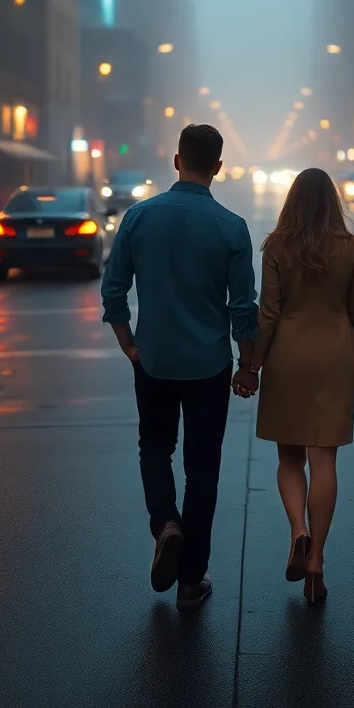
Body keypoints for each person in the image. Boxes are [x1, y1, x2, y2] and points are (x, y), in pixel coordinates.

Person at [101, 124, 259, 610]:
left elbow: (113, 291)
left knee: (154, 448)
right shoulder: (232, 227)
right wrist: (247, 366)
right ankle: (192, 580)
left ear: (176, 161)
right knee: (203, 470)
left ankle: (165, 522)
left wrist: (129, 345)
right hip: (209, 364)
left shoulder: (138, 217)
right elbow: (243, 308)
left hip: (155, 359)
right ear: (217, 167)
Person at [234, 168, 354, 605]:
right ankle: (318, 560)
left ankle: (298, 530)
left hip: (288, 354)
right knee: (324, 458)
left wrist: (252, 365)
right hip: (336, 354)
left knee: (289, 457)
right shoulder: (351, 247)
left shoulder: (276, 246)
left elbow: (268, 313)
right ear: (333, 202)